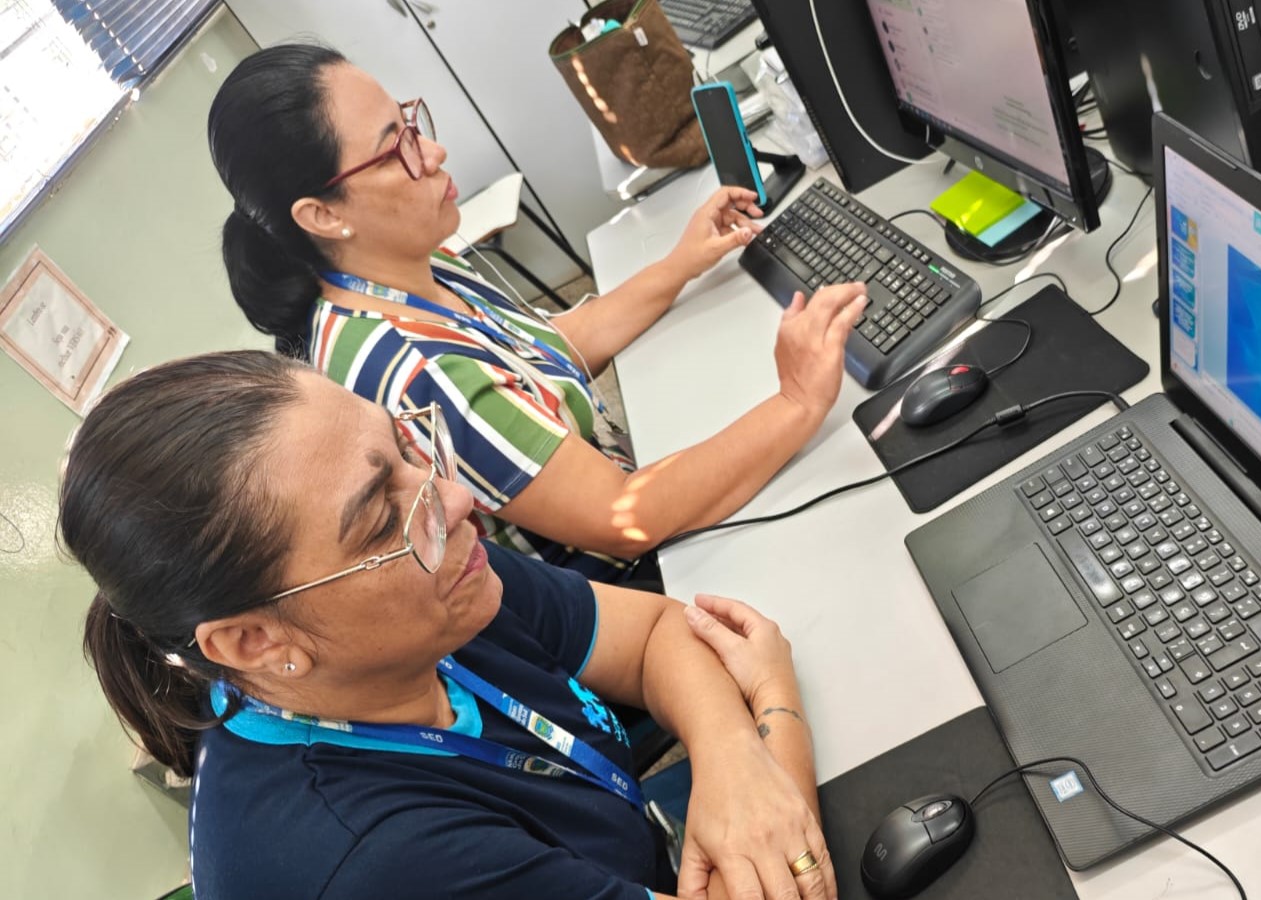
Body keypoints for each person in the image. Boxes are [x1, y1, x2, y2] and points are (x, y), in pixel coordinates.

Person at [65, 350, 838, 900]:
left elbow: (654, 637)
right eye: (379, 517)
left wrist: (734, 757)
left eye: (405, 448)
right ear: (255, 641)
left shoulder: (428, 576)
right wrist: (773, 701)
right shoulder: (370, 859)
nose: (456, 500)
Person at [208, 44, 868, 581]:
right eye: (395, 148)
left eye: (411, 124)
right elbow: (624, 517)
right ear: (323, 215)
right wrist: (796, 402)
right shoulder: (412, 370)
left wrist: (681, 262)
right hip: (640, 584)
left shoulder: (403, 266)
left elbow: (542, 350)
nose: (432, 153)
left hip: (632, 501)